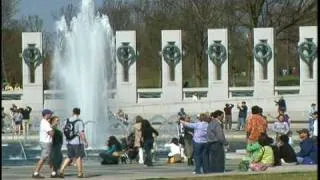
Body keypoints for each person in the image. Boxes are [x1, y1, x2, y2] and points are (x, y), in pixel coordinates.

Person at [58, 108, 88, 178]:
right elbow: (81, 133)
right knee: (78, 157)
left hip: (69, 142)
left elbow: (62, 130)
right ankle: (80, 173)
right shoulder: (79, 121)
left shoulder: (66, 120)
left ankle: (61, 170)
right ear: (79, 113)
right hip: (77, 142)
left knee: (69, 157)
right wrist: (85, 142)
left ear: (72, 112)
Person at [32, 109, 54, 178]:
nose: (51, 115)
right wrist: (53, 127)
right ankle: (36, 173)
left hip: (44, 142)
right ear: (47, 114)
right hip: (46, 142)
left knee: (50, 158)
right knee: (43, 158)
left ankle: (54, 172)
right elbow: (51, 133)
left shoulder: (43, 121)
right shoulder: (45, 123)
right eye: (50, 114)